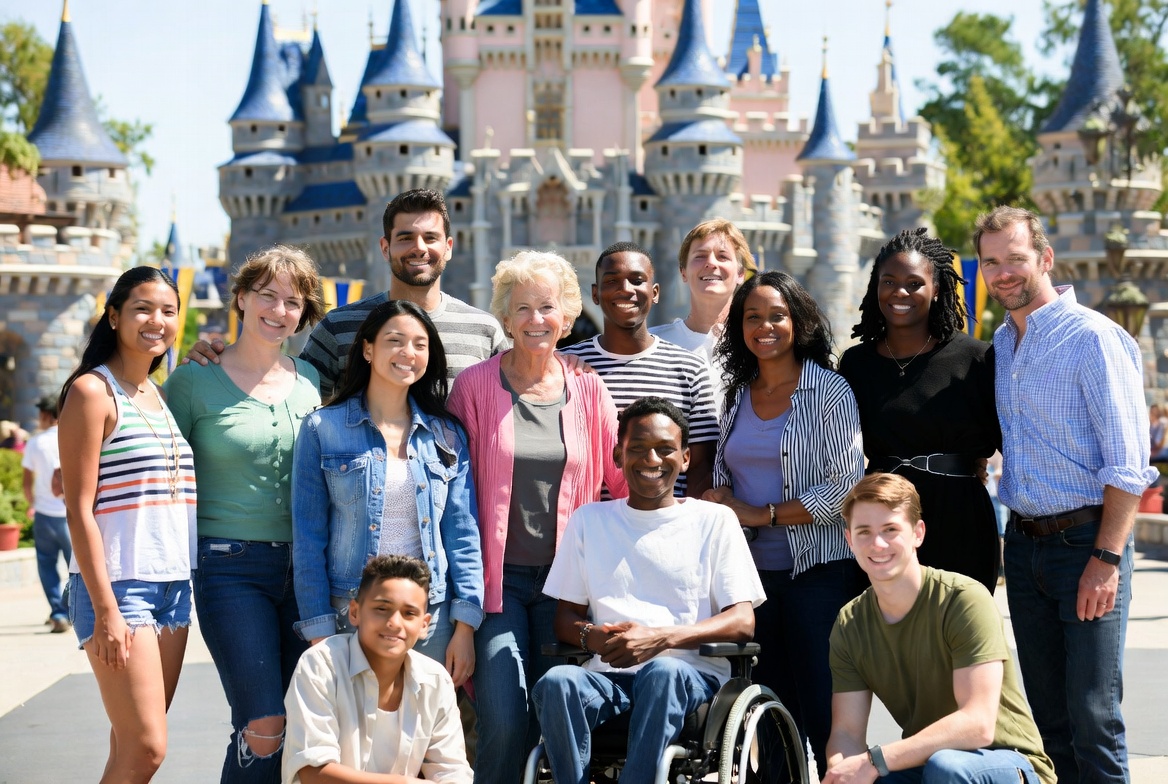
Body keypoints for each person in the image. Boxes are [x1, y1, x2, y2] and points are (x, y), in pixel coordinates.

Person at [975, 205, 1158, 784]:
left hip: (1087, 544)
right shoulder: (1002, 346)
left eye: (1016, 259)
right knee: (1048, 721)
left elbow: (1129, 466)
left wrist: (1104, 561)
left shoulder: (1096, 339)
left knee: (1094, 715)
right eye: (990, 262)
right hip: (1025, 549)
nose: (1003, 273)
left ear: (1045, 259)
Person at [447, 250, 627, 784]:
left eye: (547, 307)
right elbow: (454, 493)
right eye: (522, 307)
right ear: (504, 318)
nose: (535, 320)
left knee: (558, 723)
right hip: (496, 587)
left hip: (567, 589)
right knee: (503, 720)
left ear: (567, 317)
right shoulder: (474, 387)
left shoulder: (589, 388)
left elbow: (620, 482)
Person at [532, 397, 764, 783]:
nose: (651, 460)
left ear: (686, 458)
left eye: (664, 449)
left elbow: (743, 621)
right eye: (637, 449)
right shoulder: (590, 521)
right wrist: (594, 637)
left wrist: (661, 639)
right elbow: (565, 619)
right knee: (556, 682)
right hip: (608, 678)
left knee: (663, 672)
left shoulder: (714, 521)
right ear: (617, 456)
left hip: (691, 679)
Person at [164, 246, 325, 782]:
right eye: (268, 295)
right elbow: (159, 472)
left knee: (301, 724)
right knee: (263, 721)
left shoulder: (310, 382)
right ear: (240, 297)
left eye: (293, 302)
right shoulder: (192, 381)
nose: (279, 310)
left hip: (305, 572)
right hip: (229, 566)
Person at [703, 270, 865, 779]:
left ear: (799, 322)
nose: (765, 326)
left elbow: (846, 488)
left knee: (823, 716)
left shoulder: (830, 391)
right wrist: (722, 497)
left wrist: (763, 515)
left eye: (777, 315)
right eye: (753, 317)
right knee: (765, 719)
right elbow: (729, 476)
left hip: (819, 575)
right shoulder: (735, 396)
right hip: (752, 585)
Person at [57, 266, 197, 783]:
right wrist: (105, 609)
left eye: (168, 310)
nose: (156, 321)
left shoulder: (158, 396)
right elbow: (78, 509)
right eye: (142, 308)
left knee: (128, 748)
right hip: (120, 588)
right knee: (146, 749)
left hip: (174, 588)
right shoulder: (95, 393)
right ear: (113, 316)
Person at [293, 300, 483, 679]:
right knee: (356, 732)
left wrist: (465, 626)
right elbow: (308, 538)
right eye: (394, 341)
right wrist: (319, 633)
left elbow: (463, 534)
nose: (407, 353)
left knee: (421, 734)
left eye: (419, 343)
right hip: (352, 611)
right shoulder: (322, 429)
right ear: (367, 348)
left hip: (431, 617)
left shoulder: (447, 435)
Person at [824, 473, 1055, 784]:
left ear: (918, 533)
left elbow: (978, 724)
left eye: (890, 529)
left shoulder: (963, 599)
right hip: (927, 764)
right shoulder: (850, 623)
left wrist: (874, 761)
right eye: (864, 532)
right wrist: (842, 771)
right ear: (849, 539)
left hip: (1007, 761)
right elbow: (846, 733)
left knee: (945, 768)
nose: (877, 543)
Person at [185, 188, 506, 396]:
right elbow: (284, 393)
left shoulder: (484, 332)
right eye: (405, 237)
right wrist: (219, 361)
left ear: (448, 248)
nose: (419, 248)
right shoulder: (339, 328)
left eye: (430, 238)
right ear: (385, 247)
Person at [839, 227, 1002, 593]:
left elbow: (1009, 442)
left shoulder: (976, 358)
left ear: (938, 288)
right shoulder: (856, 363)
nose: (900, 292)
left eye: (914, 283)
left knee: (958, 637)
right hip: (883, 521)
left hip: (960, 517)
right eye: (889, 281)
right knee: (887, 641)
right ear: (874, 286)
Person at [283, 554, 473, 783]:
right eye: (382, 609)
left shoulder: (436, 680)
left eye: (409, 613)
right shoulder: (320, 665)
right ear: (355, 612)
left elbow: (453, 772)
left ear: (424, 625)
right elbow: (314, 774)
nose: (394, 622)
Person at [561, 242, 718, 497]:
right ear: (595, 293)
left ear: (654, 292)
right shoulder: (566, 365)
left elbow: (701, 465)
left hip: (667, 529)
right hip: (589, 529)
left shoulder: (689, 368)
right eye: (612, 281)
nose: (625, 290)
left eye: (637, 280)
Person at [649, 218, 756, 414]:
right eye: (700, 256)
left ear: (741, 273)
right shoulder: (653, 344)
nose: (711, 263)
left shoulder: (757, 345)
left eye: (722, 256)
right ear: (683, 272)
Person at [22, 394, 71, 633]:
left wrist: (33, 502)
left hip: (44, 514)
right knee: (78, 566)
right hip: (71, 514)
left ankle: (59, 613)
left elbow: (26, 482)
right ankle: (74, 607)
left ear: (45, 415)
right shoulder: (70, 437)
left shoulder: (35, 443)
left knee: (47, 566)